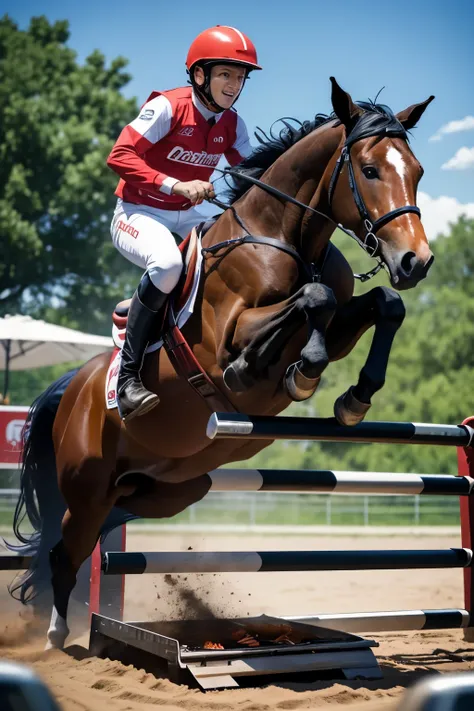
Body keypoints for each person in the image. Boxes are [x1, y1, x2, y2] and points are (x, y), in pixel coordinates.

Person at [107, 25, 262, 421]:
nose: (234, 84)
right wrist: (177, 184)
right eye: (226, 74)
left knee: (243, 247)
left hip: (187, 214)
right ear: (199, 75)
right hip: (138, 212)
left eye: (240, 76)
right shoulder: (168, 107)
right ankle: (127, 380)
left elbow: (253, 175)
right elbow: (120, 155)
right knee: (169, 265)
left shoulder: (233, 125)